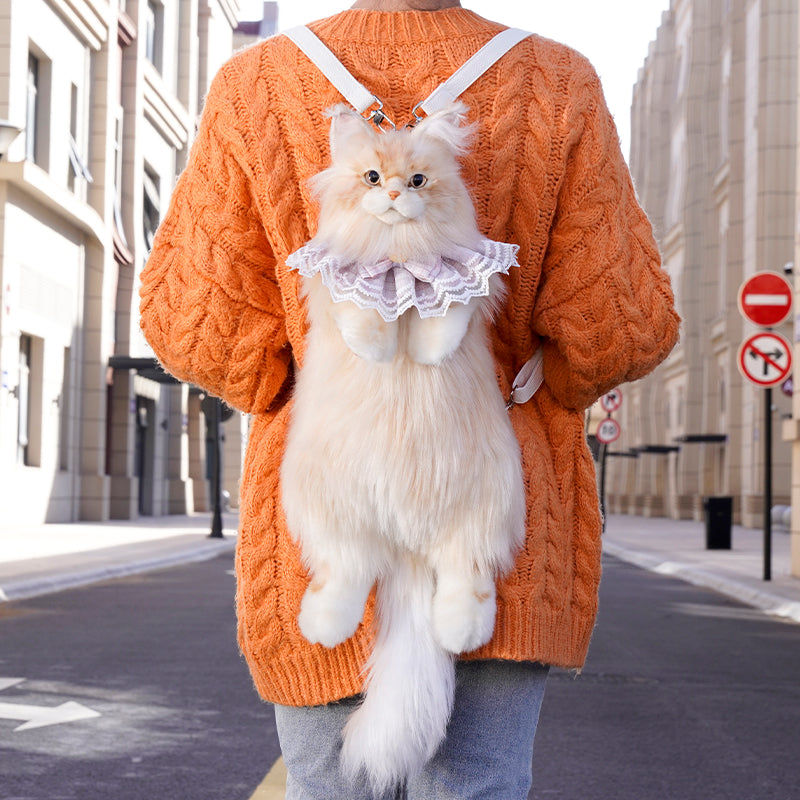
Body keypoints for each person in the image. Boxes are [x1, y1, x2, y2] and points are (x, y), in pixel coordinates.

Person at [139, 1, 680, 797]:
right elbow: (625, 324)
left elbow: (195, 326)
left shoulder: (255, 85)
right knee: (477, 784)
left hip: (331, 517)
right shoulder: (560, 82)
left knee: (329, 788)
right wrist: (548, 379)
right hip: (499, 528)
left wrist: (295, 373)